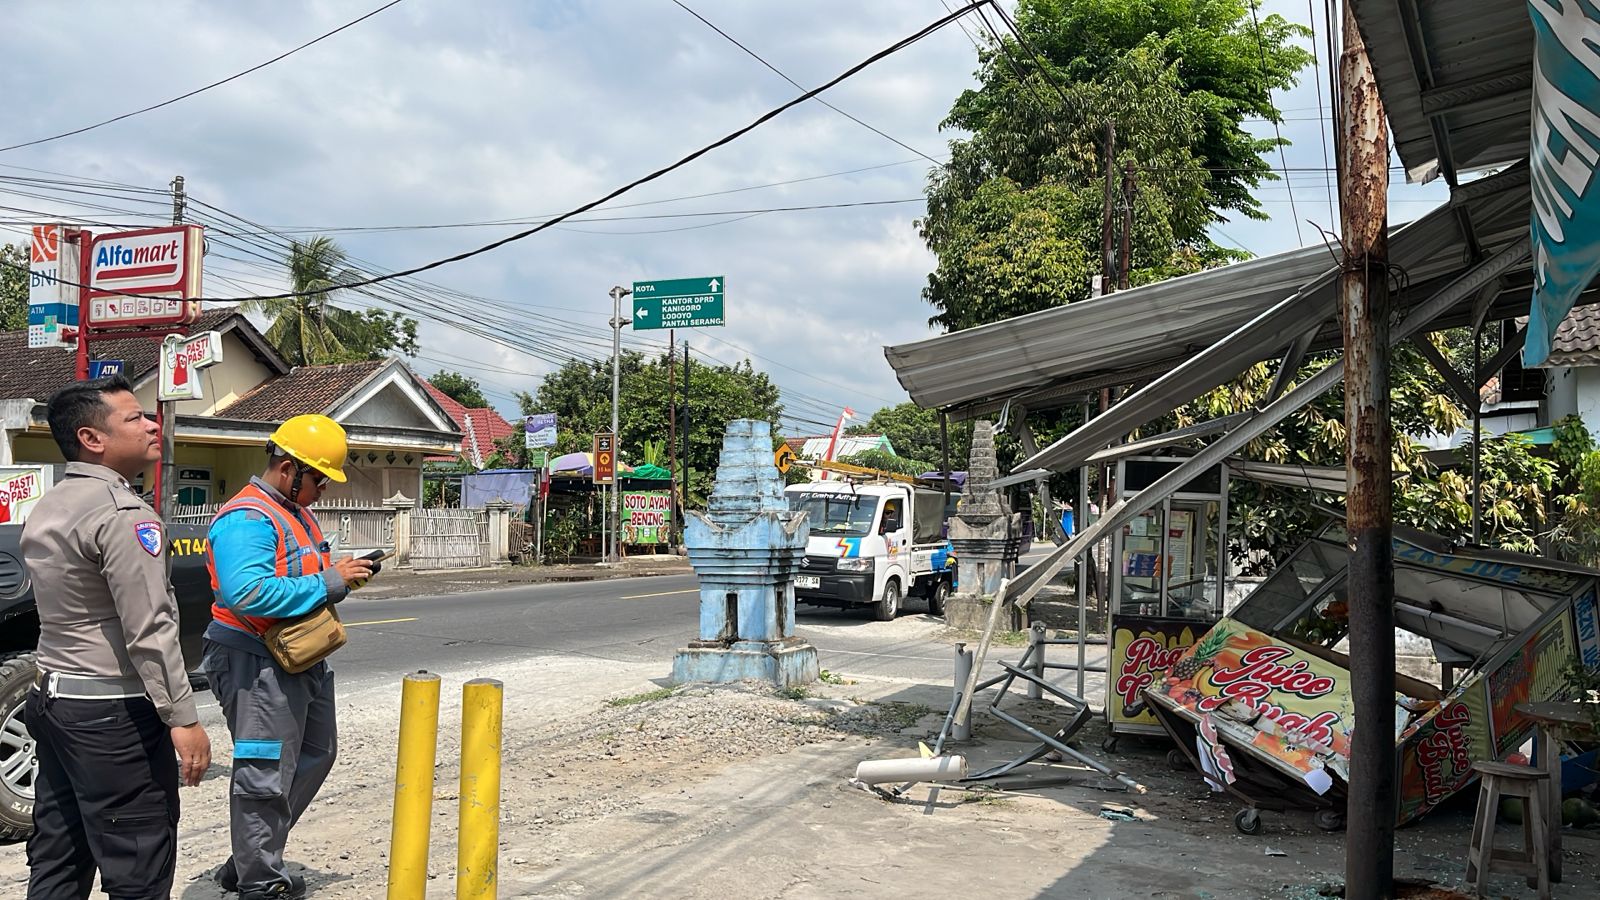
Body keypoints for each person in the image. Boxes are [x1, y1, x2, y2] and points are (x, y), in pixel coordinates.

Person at [21, 374, 211, 900]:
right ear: (92, 438)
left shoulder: (53, 503)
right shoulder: (122, 514)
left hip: (55, 699)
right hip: (112, 714)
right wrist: (184, 718)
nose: (153, 424)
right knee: (138, 862)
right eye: (135, 418)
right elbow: (149, 629)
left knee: (60, 852)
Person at [203, 415, 372, 900]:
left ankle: (250, 858)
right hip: (253, 660)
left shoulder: (294, 512)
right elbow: (249, 593)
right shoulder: (248, 518)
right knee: (265, 772)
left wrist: (338, 573)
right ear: (289, 468)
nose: (322, 489)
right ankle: (259, 882)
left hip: (299, 656)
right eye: (319, 478)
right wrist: (330, 580)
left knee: (317, 752)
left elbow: (298, 573)